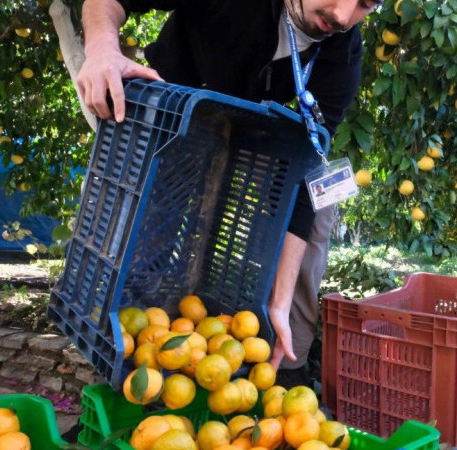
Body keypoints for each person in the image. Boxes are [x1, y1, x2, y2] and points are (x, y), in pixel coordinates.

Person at [76, 0, 379, 388]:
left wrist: (279, 304)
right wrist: (102, 48)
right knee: (147, 233)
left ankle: (283, 366)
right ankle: (123, 368)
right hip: (177, 117)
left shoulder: (343, 52)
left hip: (258, 145)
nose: (342, 15)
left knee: (319, 212)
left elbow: (306, 165)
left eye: (366, 4)